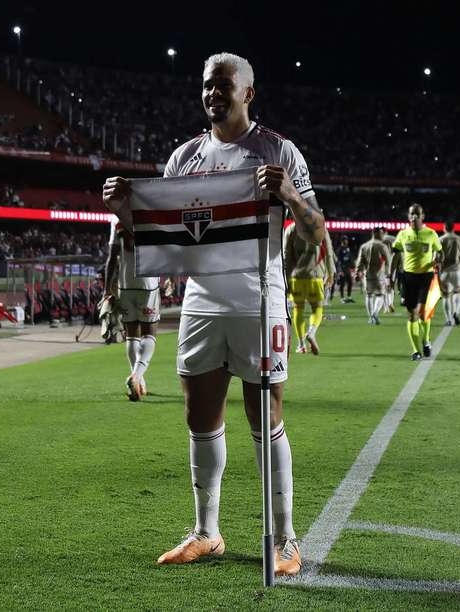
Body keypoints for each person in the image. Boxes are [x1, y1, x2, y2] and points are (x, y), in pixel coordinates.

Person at [102, 52, 325, 577]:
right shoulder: (184, 158)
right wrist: (124, 211)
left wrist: (289, 195)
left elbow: (316, 230)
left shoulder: (278, 151)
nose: (212, 93)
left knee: (265, 417)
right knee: (199, 418)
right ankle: (207, 532)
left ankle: (286, 539)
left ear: (248, 92)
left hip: (259, 300)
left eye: (223, 84)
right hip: (201, 303)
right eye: (207, 84)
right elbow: (161, 239)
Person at [104, 214, 160, 400]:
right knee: (149, 333)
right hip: (148, 282)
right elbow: (163, 249)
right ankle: (136, 376)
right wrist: (169, 276)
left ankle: (139, 383)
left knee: (132, 335)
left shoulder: (116, 218)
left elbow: (112, 257)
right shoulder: (150, 213)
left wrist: (106, 290)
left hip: (125, 284)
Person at [390, 204, 442, 360]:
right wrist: (390, 277)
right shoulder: (402, 234)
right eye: (411, 214)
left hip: (426, 277)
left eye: (417, 214)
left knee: (423, 313)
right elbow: (395, 256)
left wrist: (437, 261)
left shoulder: (431, 234)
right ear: (408, 216)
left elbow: (440, 252)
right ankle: (415, 350)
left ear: (422, 216)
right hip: (408, 277)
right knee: (412, 315)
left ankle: (426, 340)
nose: (414, 217)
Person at [283, 223, 335, 354]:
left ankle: (301, 345)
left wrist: (285, 278)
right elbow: (329, 251)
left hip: (297, 276)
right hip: (315, 275)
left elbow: (286, 255)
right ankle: (311, 333)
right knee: (317, 308)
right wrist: (330, 273)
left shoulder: (291, 229)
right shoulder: (320, 227)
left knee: (298, 309)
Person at [354, 228, 392, 325]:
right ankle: (375, 313)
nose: (383, 235)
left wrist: (357, 273)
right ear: (377, 234)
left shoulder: (364, 246)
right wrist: (388, 275)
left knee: (369, 295)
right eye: (381, 233)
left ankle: (371, 317)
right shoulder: (382, 246)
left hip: (367, 275)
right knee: (380, 295)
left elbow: (360, 261)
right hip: (379, 275)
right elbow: (388, 261)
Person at [439, 221, 460, 325]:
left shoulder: (440, 239)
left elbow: (436, 257)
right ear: (453, 228)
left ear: (444, 228)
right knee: (457, 292)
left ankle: (448, 320)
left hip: (444, 271)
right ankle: (456, 312)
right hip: (457, 271)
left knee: (446, 295)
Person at [380, 227, 398, 312]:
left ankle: (386, 306)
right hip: (392, 265)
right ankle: (390, 303)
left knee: (384, 287)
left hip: (383, 266)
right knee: (391, 285)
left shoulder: (380, 240)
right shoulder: (392, 239)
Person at [334, 235, 355, 303]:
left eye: (347, 240)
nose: (347, 241)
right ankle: (342, 298)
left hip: (347, 268)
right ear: (342, 241)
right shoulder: (339, 250)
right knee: (342, 284)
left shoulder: (347, 248)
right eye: (346, 240)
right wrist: (340, 270)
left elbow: (350, 259)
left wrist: (352, 267)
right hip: (342, 268)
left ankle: (349, 297)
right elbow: (338, 261)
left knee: (350, 282)